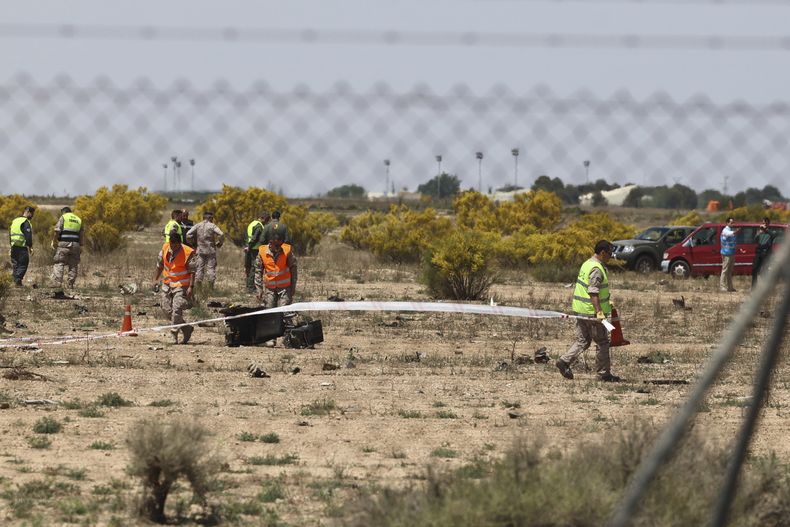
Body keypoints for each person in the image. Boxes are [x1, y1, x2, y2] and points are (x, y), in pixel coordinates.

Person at [556, 240, 620, 382]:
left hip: (580, 310)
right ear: (603, 253)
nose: (611, 256)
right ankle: (603, 374)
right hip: (591, 312)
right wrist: (599, 311)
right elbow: (593, 292)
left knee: (583, 340)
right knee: (602, 342)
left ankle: (564, 361)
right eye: (609, 254)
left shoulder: (587, 263)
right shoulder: (597, 268)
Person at [255, 230, 298, 346]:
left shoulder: (287, 251)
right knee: (270, 312)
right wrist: (259, 289)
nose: (279, 247)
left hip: (285, 287)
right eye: (276, 245)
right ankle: (271, 339)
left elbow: (294, 269)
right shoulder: (262, 251)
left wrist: (293, 286)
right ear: (270, 242)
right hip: (269, 287)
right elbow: (258, 271)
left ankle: (289, 339)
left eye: (280, 244)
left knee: (286, 312)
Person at [153, 232, 196, 344]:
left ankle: (174, 333)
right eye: (172, 245)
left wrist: (191, 287)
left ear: (180, 243)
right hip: (167, 283)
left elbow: (192, 271)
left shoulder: (187, 252)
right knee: (166, 309)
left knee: (177, 308)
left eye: (176, 245)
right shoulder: (165, 247)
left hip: (182, 285)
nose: (173, 247)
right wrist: (156, 279)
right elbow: (160, 265)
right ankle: (186, 328)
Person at [185, 211, 225, 288]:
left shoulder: (198, 225)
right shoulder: (212, 226)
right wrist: (220, 243)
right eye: (212, 218)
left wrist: (192, 243)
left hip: (200, 250)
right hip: (210, 250)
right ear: (210, 218)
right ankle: (210, 288)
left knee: (199, 269)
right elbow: (221, 234)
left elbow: (188, 234)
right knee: (210, 269)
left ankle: (199, 288)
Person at [51, 206, 83, 296]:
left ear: (64, 212)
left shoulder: (64, 217)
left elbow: (57, 230)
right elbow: (81, 234)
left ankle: (57, 283)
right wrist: (81, 245)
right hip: (76, 245)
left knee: (59, 262)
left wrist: (54, 241)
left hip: (64, 243)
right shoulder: (78, 219)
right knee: (73, 265)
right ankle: (70, 284)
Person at [9, 206, 35, 287]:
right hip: (22, 248)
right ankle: (17, 280)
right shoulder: (25, 221)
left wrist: (10, 246)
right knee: (23, 264)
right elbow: (28, 235)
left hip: (14, 247)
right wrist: (30, 246)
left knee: (15, 264)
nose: (32, 216)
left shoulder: (15, 220)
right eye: (32, 214)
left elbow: (10, 234)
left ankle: (15, 281)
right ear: (28, 212)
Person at [244, 211, 270, 292]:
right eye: (267, 220)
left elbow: (248, 236)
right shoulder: (259, 226)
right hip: (255, 249)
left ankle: (249, 285)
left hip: (250, 248)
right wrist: (249, 246)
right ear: (264, 218)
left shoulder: (252, 223)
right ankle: (251, 287)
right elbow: (254, 238)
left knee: (249, 267)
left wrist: (247, 246)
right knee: (254, 267)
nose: (267, 223)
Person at [752, 217, 775, 287]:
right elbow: (754, 241)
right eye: (763, 223)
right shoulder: (759, 232)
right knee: (755, 269)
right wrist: (758, 233)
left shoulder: (771, 232)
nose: (764, 224)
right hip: (759, 252)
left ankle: (766, 286)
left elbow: (773, 235)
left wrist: (765, 229)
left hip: (766, 253)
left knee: (764, 270)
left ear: (768, 224)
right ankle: (754, 287)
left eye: (766, 223)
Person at [720, 217, 739, 292]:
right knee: (725, 270)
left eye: (733, 222)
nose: (732, 224)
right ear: (727, 223)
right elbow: (729, 234)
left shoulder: (731, 230)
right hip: (726, 253)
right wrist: (735, 232)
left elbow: (733, 241)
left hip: (731, 252)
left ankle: (730, 287)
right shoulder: (725, 230)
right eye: (731, 222)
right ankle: (722, 286)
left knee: (730, 271)